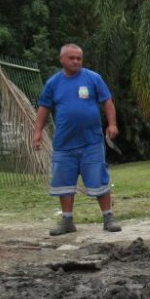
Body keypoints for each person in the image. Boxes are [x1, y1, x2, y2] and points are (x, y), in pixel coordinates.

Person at [33, 43, 122, 236]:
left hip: (92, 142)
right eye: (71, 58)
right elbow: (43, 108)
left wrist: (112, 124)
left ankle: (108, 217)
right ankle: (67, 221)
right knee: (64, 182)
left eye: (79, 58)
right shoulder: (53, 83)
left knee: (99, 178)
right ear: (62, 59)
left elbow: (107, 101)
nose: (75, 61)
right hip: (64, 144)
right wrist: (38, 132)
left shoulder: (93, 78)